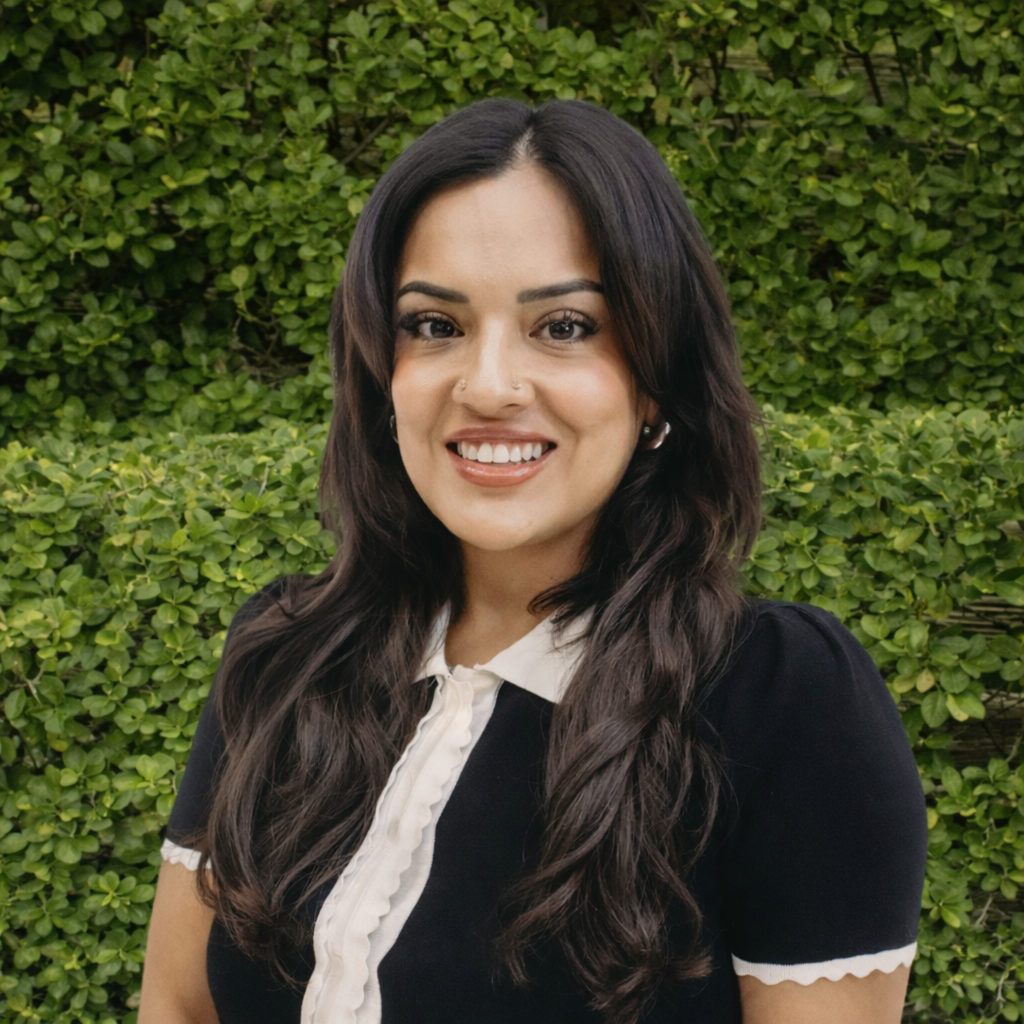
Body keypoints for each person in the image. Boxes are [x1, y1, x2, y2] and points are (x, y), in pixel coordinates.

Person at [138, 98, 927, 1024]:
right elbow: (182, 1007)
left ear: (656, 377)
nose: (489, 386)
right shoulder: (284, 655)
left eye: (564, 327)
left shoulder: (779, 699)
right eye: (434, 325)